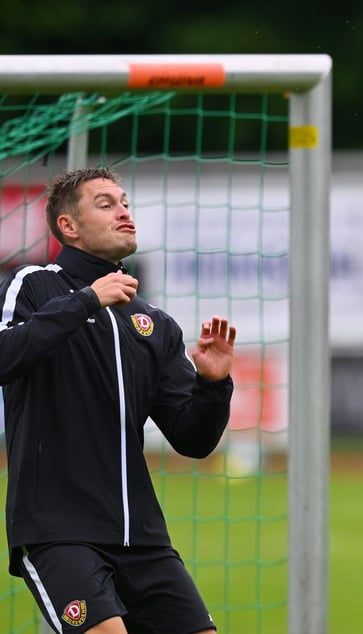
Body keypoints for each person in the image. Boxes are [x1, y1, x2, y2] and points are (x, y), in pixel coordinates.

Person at [0, 166, 237, 633]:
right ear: (68, 226)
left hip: (143, 538)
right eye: (105, 204)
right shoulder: (34, 285)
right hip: (59, 531)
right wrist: (88, 300)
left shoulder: (154, 323)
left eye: (125, 202)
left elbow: (193, 440)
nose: (124, 212)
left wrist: (213, 385)